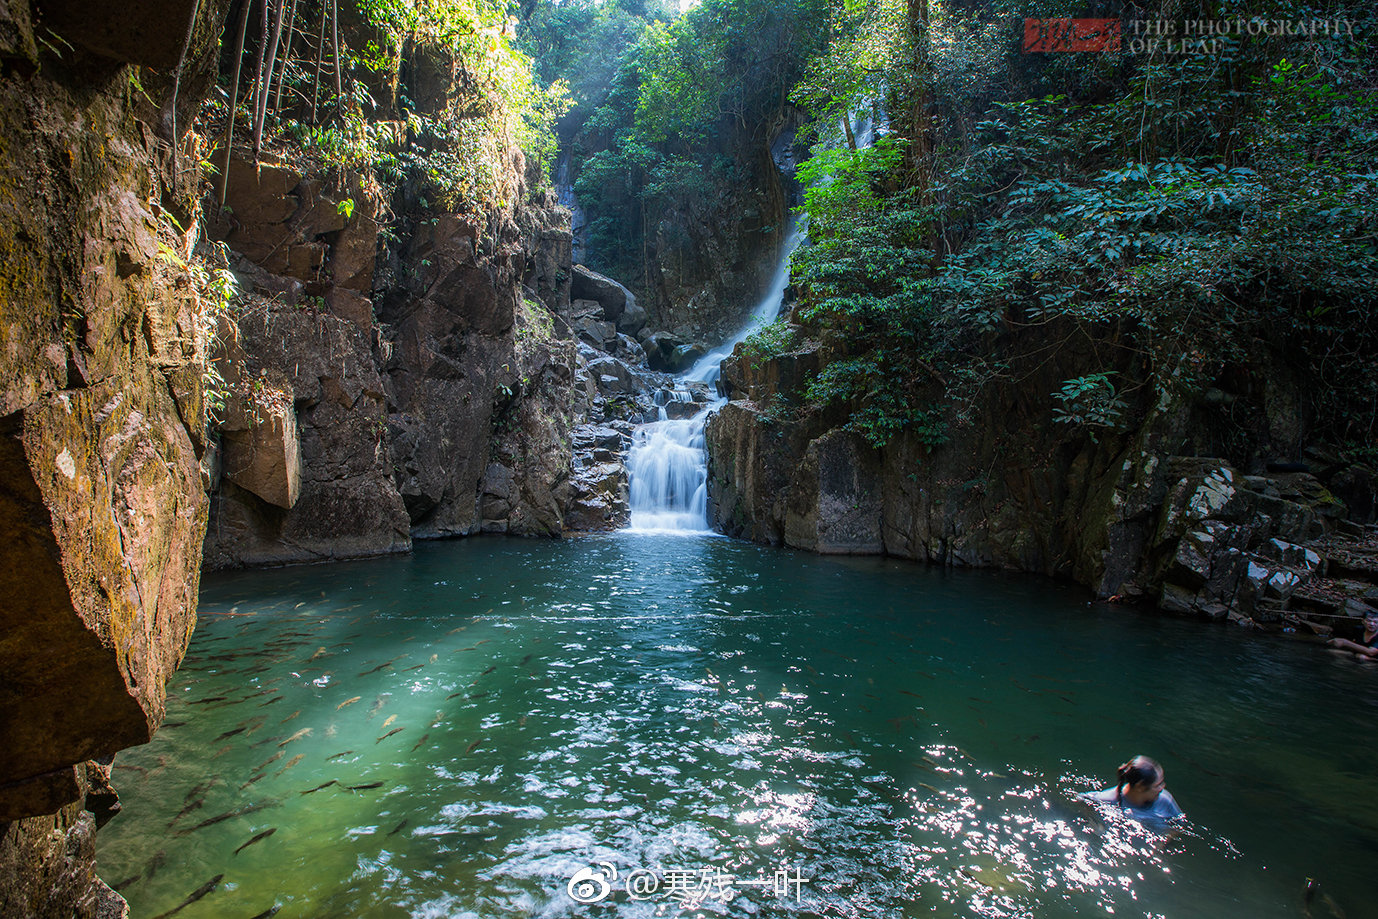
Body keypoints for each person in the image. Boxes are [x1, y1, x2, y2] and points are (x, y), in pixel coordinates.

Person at [1082, 755, 1183, 828]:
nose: (1162, 788)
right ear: (1140, 786)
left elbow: (1179, 826)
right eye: (1157, 785)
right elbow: (1082, 801)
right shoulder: (1106, 801)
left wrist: (1162, 845)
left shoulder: (1165, 800)